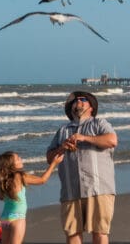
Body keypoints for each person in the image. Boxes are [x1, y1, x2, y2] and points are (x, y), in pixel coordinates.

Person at [46, 91, 118, 244]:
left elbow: (112, 140)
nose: (78, 102)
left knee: (99, 232)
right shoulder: (63, 130)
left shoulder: (99, 123)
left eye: (82, 99)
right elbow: (49, 158)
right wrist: (62, 148)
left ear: (90, 106)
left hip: (98, 189)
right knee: (72, 234)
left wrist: (83, 137)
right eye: (75, 101)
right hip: (70, 191)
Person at [0, 151, 63, 244]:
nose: (20, 158)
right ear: (11, 165)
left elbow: (1, 197)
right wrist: (54, 163)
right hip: (18, 218)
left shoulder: (4, 180)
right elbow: (42, 180)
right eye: (18, 158)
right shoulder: (19, 176)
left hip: (5, 219)